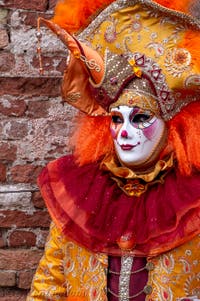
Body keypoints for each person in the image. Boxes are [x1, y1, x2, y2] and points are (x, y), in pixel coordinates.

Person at [27, 0, 200, 300]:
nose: (124, 132)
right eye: (116, 119)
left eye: (141, 118)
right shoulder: (78, 194)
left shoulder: (193, 202)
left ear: (172, 125)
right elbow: (48, 288)